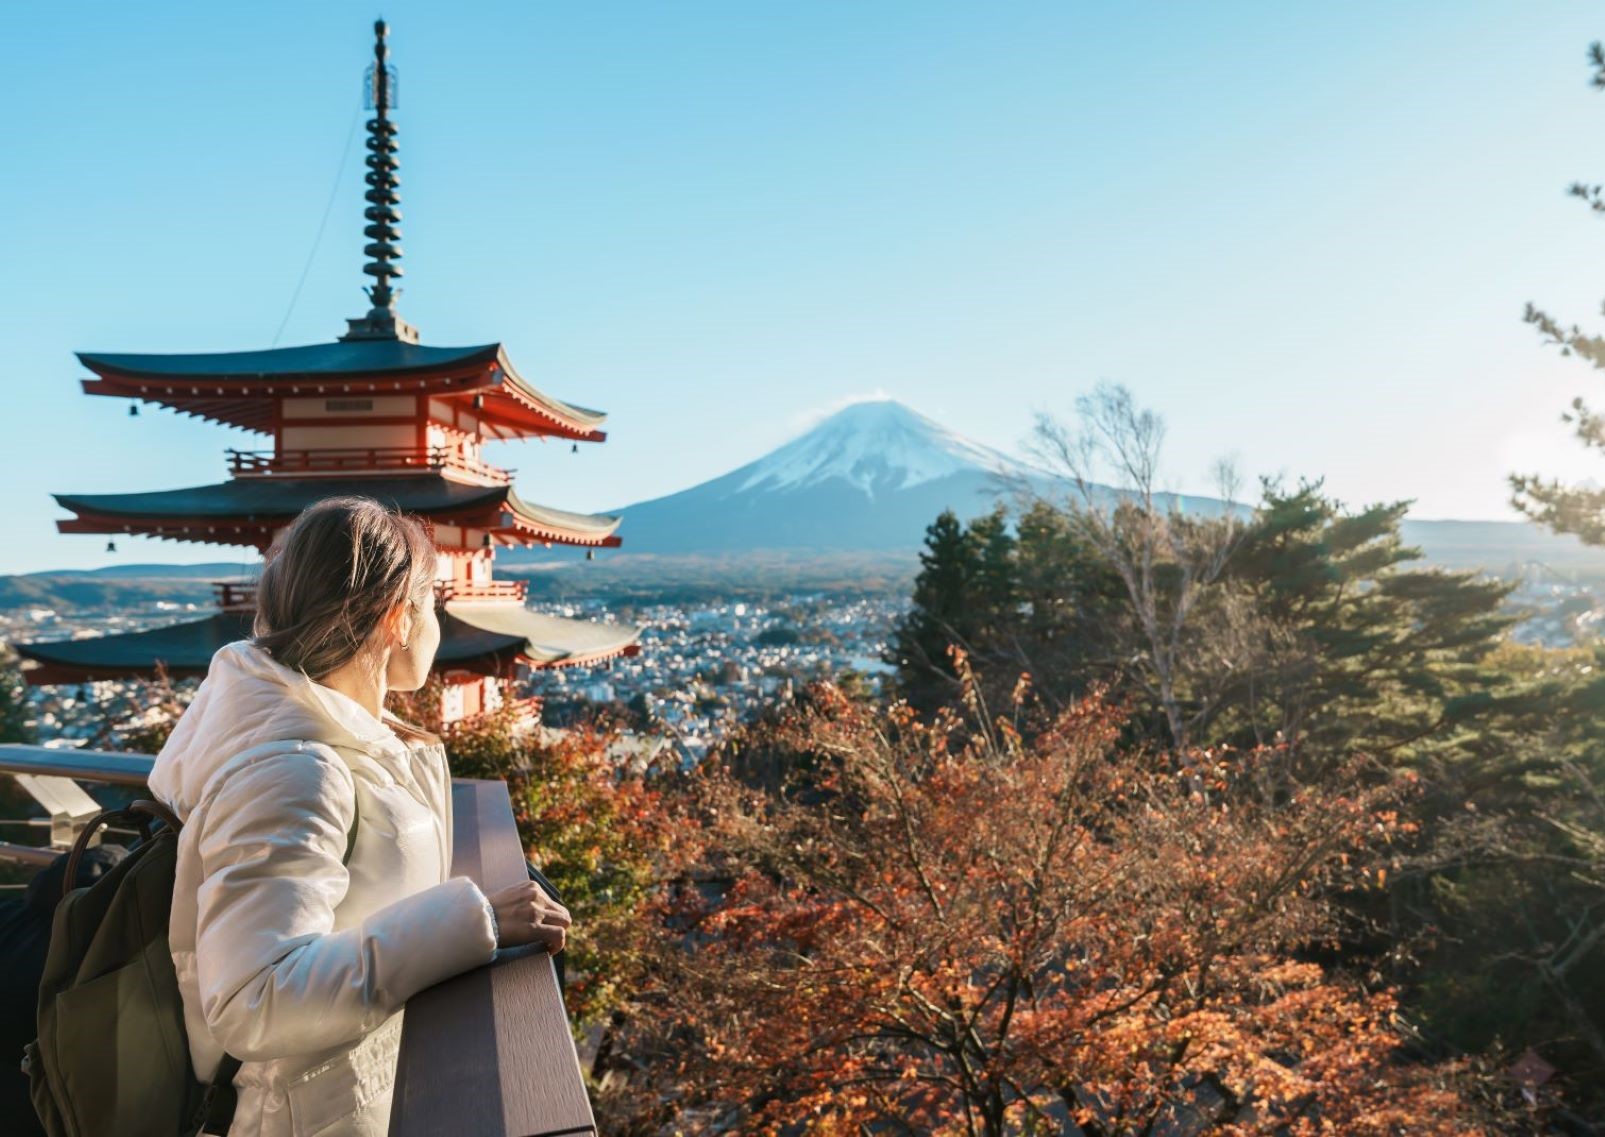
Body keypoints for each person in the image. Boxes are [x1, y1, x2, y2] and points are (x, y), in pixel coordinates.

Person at [148, 496, 570, 1137]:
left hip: (341, 1098)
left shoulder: (337, 736)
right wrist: (476, 919)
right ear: (397, 618)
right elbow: (253, 999)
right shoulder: (293, 769)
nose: (438, 624)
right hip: (303, 1115)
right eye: (433, 604)